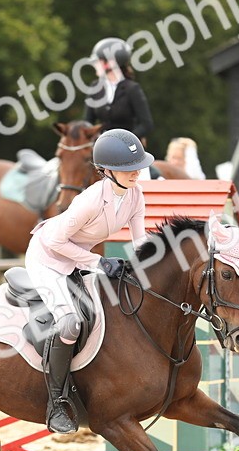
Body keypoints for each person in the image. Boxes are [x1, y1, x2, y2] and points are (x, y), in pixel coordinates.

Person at [25, 128, 151, 434]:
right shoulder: (91, 200)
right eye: (127, 169)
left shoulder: (135, 196)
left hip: (78, 256)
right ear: (107, 171)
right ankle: (56, 403)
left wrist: (147, 277)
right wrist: (100, 262)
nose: (135, 173)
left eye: (137, 167)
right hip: (48, 258)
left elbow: (140, 243)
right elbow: (55, 241)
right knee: (70, 323)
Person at [85, 38, 154, 144]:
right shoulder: (95, 87)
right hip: (101, 145)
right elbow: (88, 122)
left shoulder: (132, 89)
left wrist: (124, 140)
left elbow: (146, 124)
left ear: (110, 63)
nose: (94, 65)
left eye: (97, 62)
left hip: (126, 147)